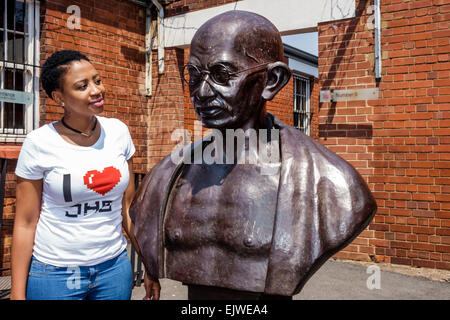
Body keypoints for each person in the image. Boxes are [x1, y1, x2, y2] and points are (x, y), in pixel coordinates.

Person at [130, 10, 377, 299]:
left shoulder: (330, 182)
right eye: (195, 76)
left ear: (272, 80)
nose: (202, 92)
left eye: (222, 75)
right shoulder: (167, 175)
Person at [10, 50, 160, 300]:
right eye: (83, 86)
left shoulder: (118, 133)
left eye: (97, 80)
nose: (96, 90)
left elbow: (129, 208)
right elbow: (25, 223)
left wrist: (149, 266)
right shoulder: (39, 143)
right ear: (59, 97)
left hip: (113, 270)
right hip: (54, 274)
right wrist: (16, 294)